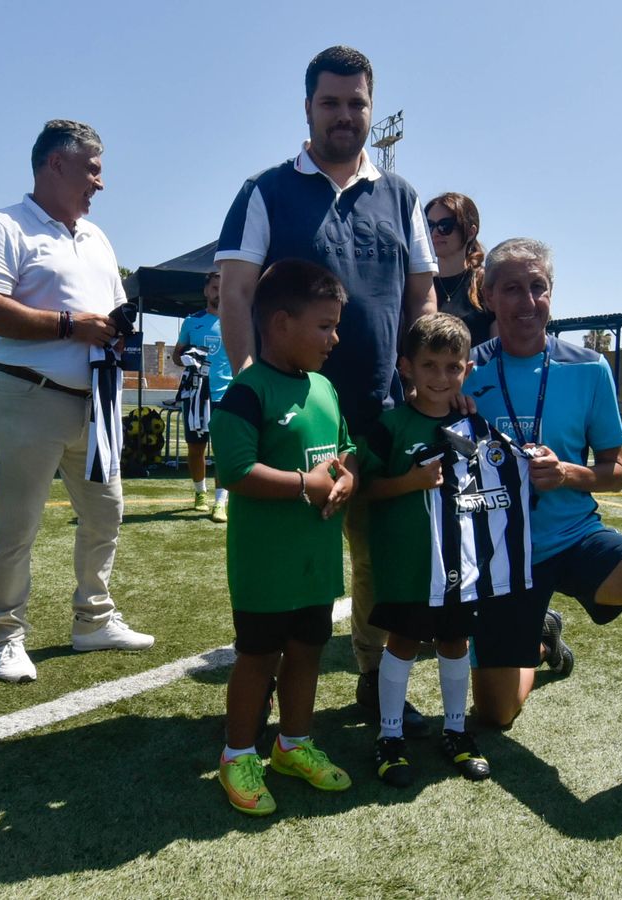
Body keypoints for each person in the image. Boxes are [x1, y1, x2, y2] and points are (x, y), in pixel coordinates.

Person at [216, 46, 437, 735]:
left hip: (376, 418)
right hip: (289, 428)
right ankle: (268, 696)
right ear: (308, 107)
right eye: (331, 103)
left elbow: (422, 300)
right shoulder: (265, 189)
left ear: (372, 108)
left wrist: (419, 391)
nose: (346, 115)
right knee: (289, 563)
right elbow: (237, 293)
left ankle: (372, 681)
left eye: (357, 103)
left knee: (380, 561)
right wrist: (258, 390)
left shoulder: (401, 197)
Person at [463, 238, 622, 823]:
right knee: (495, 718)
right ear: (487, 295)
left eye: (538, 287)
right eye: (511, 288)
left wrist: (568, 472)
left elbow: (617, 472)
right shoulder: (466, 369)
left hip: (576, 538)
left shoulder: (588, 367)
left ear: (551, 294)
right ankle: (542, 638)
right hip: (501, 555)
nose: (527, 301)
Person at [0, 119, 154, 685]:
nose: (100, 182)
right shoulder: (2, 227)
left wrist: (118, 330)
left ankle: (93, 619)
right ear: (55, 165)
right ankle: (8, 633)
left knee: (106, 513)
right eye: (93, 168)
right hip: (27, 395)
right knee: (17, 524)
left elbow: (113, 311)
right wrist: (71, 326)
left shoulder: (97, 238)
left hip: (94, 402)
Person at [358, 313, 530, 787]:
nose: (441, 377)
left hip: (462, 564)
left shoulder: (475, 425)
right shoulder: (389, 426)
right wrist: (410, 482)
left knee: (455, 642)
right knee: (404, 641)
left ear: (467, 369)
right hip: (410, 565)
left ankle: (455, 730)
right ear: (406, 367)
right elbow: (365, 489)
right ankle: (389, 735)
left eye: (452, 367)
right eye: (430, 365)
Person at [211, 259, 357, 816]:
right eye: (324, 326)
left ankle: (293, 744)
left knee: (308, 653)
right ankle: (236, 754)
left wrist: (349, 477)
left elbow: (344, 451)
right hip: (266, 566)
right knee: (257, 659)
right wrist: (306, 485)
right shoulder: (247, 394)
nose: (335, 338)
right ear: (279, 324)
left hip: (316, 562)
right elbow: (236, 472)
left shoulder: (324, 386)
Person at [172, 269, 231, 522]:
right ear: (207, 290)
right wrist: (187, 357)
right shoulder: (191, 321)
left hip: (226, 396)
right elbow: (176, 356)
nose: (220, 293)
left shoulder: (237, 320)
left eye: (225, 287)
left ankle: (221, 502)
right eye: (216, 288)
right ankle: (200, 493)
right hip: (196, 395)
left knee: (223, 450)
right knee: (196, 448)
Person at [424, 192, 495, 348]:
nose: (435, 233)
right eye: (429, 226)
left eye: (445, 226)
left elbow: (498, 349)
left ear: (471, 232)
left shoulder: (485, 283)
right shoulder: (419, 284)